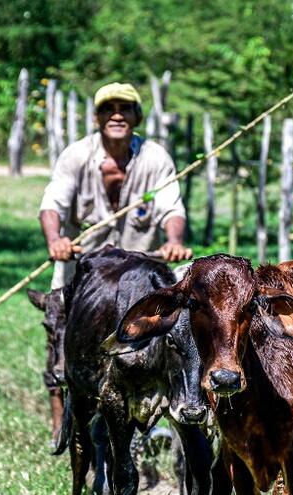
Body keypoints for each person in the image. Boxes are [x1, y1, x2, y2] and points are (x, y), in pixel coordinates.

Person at [35, 82, 192, 447]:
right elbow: (52, 205)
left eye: (125, 108)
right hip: (85, 271)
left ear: (138, 117)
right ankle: (65, 423)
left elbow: (172, 208)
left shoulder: (155, 158)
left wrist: (173, 241)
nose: (116, 115)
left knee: (172, 329)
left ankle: (166, 410)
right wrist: (55, 241)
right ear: (96, 117)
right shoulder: (76, 156)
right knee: (62, 336)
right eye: (108, 109)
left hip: (141, 272)